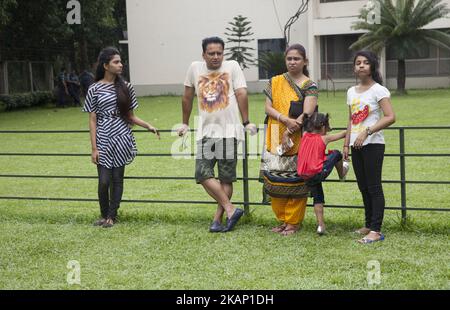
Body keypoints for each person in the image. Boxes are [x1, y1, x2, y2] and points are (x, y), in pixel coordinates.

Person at [177, 36, 257, 233]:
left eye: (219, 53)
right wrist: (185, 123)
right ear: (203, 54)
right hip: (206, 132)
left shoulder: (232, 67)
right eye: (211, 53)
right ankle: (231, 209)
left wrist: (246, 122)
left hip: (229, 132)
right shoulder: (195, 68)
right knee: (202, 173)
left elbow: (241, 93)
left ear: (224, 53)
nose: (215, 57)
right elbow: (187, 97)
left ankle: (217, 220)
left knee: (226, 178)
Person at [83, 47, 160, 228]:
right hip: (102, 138)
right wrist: (94, 148)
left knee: (117, 179)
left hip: (122, 137)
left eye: (120, 61)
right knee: (103, 181)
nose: (120, 64)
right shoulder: (94, 88)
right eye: (116, 62)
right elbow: (92, 120)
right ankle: (103, 214)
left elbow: (131, 116)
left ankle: (111, 216)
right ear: (105, 65)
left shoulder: (127, 87)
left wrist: (148, 126)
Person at [264, 44, 318, 236]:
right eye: (289, 59)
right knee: (274, 179)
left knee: (296, 181)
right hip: (275, 132)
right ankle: (282, 220)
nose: (292, 62)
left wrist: (294, 124)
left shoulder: (309, 85)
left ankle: (293, 223)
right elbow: (268, 108)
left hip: (298, 135)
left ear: (305, 62)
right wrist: (284, 120)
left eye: (296, 59)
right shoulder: (275, 81)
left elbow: (309, 110)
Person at [343, 50, 395, 244]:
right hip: (355, 146)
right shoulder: (350, 91)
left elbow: (390, 117)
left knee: (374, 187)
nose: (361, 65)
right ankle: (367, 224)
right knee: (363, 187)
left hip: (373, 145)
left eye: (365, 62)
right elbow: (350, 120)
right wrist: (346, 144)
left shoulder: (378, 90)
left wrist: (368, 131)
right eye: (358, 63)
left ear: (372, 66)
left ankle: (376, 230)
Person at [297, 112, 349, 235]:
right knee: (336, 154)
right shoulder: (324, 138)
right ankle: (342, 173)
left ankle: (321, 226)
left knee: (318, 197)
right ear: (322, 126)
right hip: (317, 172)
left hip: (305, 174)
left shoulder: (304, 135)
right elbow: (344, 133)